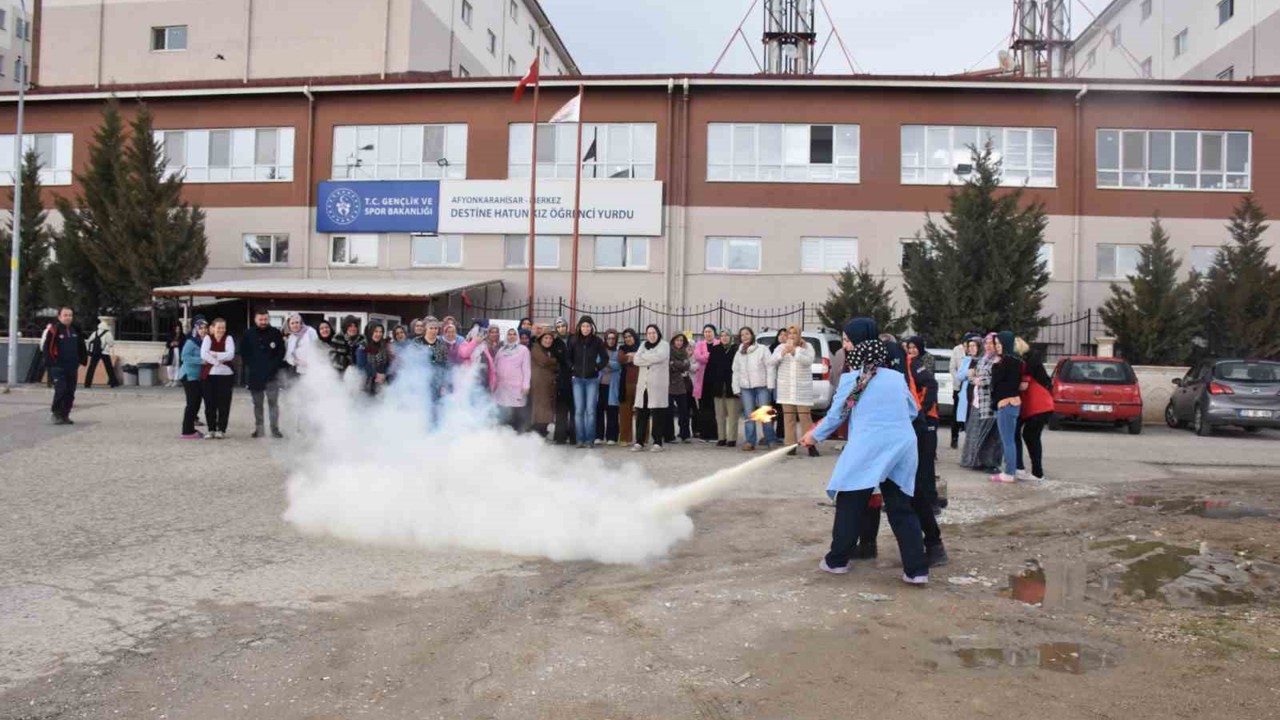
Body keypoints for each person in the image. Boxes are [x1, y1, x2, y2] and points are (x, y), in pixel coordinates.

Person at [800, 318, 928, 584]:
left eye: (847, 340)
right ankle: (917, 571)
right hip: (902, 446)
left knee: (850, 502)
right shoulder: (895, 377)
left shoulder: (853, 380)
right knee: (901, 507)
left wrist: (813, 436)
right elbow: (912, 410)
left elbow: (837, 415)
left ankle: (837, 561)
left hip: (868, 446)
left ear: (860, 343)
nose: (845, 346)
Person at [904, 335, 947, 567]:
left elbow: (931, 384)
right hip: (908, 423)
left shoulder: (910, 364)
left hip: (925, 419)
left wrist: (923, 408)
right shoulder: (876, 370)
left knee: (925, 463)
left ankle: (931, 504)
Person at [241, 310, 287, 439]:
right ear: (255, 320)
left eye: (265, 319)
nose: (263, 322)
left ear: (269, 319)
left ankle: (275, 430)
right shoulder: (248, 334)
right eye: (260, 319)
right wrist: (252, 366)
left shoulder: (275, 333)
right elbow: (244, 353)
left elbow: (281, 352)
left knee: (273, 403)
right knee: (258, 404)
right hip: (255, 375)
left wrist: (273, 366)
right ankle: (259, 430)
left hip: (272, 375)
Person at [960, 334, 1003, 471]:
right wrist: (975, 379)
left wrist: (979, 380)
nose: (988, 346)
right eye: (986, 343)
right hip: (978, 400)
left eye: (992, 343)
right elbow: (971, 376)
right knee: (974, 432)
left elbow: (996, 379)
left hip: (990, 402)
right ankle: (974, 461)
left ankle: (990, 463)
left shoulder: (999, 360)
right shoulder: (983, 359)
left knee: (990, 436)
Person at [773, 324, 817, 456]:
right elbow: (771, 362)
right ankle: (790, 446)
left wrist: (795, 352)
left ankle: (810, 445)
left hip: (802, 389)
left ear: (799, 335)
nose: (792, 336)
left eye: (795, 333)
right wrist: (782, 353)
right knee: (788, 418)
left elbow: (809, 361)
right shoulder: (781, 347)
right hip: (786, 389)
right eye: (790, 333)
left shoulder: (807, 347)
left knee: (805, 418)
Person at [567, 315, 609, 448]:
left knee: (590, 410)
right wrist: (572, 368)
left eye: (588, 326)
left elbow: (605, 358)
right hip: (577, 380)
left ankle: (590, 440)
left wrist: (597, 367)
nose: (586, 329)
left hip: (592, 380)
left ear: (592, 328)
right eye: (583, 326)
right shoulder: (573, 340)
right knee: (579, 410)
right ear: (579, 327)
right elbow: (567, 358)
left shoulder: (597, 341)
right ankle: (580, 439)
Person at [732, 326, 776, 451]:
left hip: (762, 386)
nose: (745, 336)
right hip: (745, 388)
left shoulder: (762, 349)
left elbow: (770, 367)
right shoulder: (739, 353)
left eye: (747, 334)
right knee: (749, 415)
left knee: (765, 414)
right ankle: (750, 441)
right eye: (742, 335)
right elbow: (735, 371)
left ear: (752, 335)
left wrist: (770, 385)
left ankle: (770, 440)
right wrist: (736, 388)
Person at [1016, 338, 1054, 482]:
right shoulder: (1032, 362)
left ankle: (1037, 473)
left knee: (1030, 436)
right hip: (1040, 406)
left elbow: (1023, 386)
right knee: (1030, 436)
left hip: (1038, 406)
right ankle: (1035, 471)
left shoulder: (1027, 367)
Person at [989, 331, 1025, 484]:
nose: (997, 347)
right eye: (996, 344)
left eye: (999, 344)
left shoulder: (1006, 361)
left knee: (1007, 440)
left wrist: (995, 365)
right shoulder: (1016, 360)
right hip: (1011, 403)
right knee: (1010, 440)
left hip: (1006, 403)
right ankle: (1011, 470)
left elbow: (997, 381)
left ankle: (1009, 473)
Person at [42, 307, 87, 425]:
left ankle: (65, 414)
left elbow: (81, 345)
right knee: (61, 390)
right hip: (58, 367)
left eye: (70, 315)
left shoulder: (75, 330)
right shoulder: (54, 330)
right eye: (65, 315)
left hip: (72, 366)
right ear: (59, 317)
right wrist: (51, 363)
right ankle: (56, 413)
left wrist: (81, 360)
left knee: (70, 392)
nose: (68, 317)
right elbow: (47, 348)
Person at [631, 324, 670, 453]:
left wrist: (645, 357)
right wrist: (650, 358)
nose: (652, 335)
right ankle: (639, 441)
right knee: (641, 413)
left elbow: (660, 357)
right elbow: (636, 360)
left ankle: (657, 442)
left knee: (657, 413)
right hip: (644, 385)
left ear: (658, 333)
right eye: (649, 333)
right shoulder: (643, 344)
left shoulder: (664, 345)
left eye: (654, 333)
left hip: (657, 385)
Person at [200, 318, 236, 439]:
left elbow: (230, 355)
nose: (221, 330)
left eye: (223, 327)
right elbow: (203, 354)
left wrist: (214, 354)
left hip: (226, 375)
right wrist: (217, 362)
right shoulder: (208, 338)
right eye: (219, 327)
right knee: (209, 403)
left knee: (224, 403)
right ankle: (211, 429)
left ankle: (221, 429)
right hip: (209, 376)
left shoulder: (229, 338)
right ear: (213, 328)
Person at [705, 329, 739, 447]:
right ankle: (721, 438)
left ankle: (732, 439)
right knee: (719, 415)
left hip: (732, 387)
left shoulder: (736, 349)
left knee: (733, 415)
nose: (724, 337)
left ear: (731, 337)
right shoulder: (715, 349)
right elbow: (710, 369)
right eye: (722, 335)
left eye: (727, 335)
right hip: (718, 387)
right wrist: (709, 385)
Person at [494, 327, 532, 431]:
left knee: (516, 411)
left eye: (514, 334)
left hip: (517, 387)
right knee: (503, 410)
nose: (511, 336)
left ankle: (517, 434)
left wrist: (526, 385)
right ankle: (504, 434)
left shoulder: (523, 350)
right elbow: (495, 366)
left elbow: (526, 369)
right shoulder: (501, 350)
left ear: (517, 336)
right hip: (502, 387)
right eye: (509, 334)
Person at [179, 319, 208, 438]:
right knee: (192, 403)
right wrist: (201, 361)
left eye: (205, 328)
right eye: (200, 328)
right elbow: (184, 357)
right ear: (196, 329)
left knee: (196, 402)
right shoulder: (191, 342)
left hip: (197, 377)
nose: (203, 330)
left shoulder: (205, 342)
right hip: (189, 375)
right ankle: (186, 431)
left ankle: (191, 429)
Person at [951, 336, 981, 449]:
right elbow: (959, 375)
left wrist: (975, 375)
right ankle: (970, 450)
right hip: (966, 395)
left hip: (978, 397)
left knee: (976, 425)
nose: (971, 348)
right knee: (967, 423)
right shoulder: (967, 359)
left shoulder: (983, 360)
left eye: (974, 346)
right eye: (969, 346)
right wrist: (968, 373)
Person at [666, 333, 696, 444]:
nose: (679, 342)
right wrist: (680, 365)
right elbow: (670, 365)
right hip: (669, 384)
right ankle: (669, 436)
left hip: (682, 385)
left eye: (681, 340)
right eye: (677, 340)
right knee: (669, 412)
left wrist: (676, 364)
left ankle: (685, 435)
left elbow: (687, 365)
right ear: (673, 341)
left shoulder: (684, 352)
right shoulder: (668, 352)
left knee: (684, 411)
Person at [530, 331, 559, 438]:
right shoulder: (536, 348)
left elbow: (554, 366)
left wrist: (552, 363)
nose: (548, 340)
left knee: (547, 409)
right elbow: (543, 361)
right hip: (539, 383)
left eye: (550, 338)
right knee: (540, 409)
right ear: (541, 339)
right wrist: (554, 361)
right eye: (546, 338)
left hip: (548, 384)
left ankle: (543, 432)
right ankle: (537, 433)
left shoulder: (550, 350)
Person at [692, 324, 718, 441]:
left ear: (714, 333)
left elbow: (716, 359)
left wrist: (706, 357)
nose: (708, 334)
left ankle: (714, 434)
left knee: (714, 408)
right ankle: (704, 434)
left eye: (710, 331)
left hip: (715, 381)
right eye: (706, 332)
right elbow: (698, 357)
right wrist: (708, 356)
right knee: (703, 408)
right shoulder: (699, 344)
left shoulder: (718, 343)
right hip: (702, 381)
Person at [616, 328, 640, 447]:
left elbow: (644, 358)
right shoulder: (622, 348)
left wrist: (633, 356)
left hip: (640, 383)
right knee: (625, 412)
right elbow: (621, 359)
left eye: (629, 336)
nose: (627, 339)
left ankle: (642, 439)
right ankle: (625, 438)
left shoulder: (641, 347)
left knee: (641, 412)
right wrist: (634, 357)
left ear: (634, 336)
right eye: (625, 337)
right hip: (625, 384)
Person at [598, 330, 621, 444]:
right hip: (600, 385)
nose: (611, 341)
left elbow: (618, 366)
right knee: (598, 410)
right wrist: (610, 364)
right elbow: (598, 363)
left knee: (612, 411)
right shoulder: (601, 351)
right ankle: (598, 436)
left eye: (613, 338)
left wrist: (606, 362)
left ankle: (612, 437)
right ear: (605, 339)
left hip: (612, 386)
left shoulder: (618, 352)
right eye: (609, 338)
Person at [84, 316, 120, 389]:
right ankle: (113, 383)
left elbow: (89, 341)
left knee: (91, 368)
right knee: (109, 368)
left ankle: (87, 383)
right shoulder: (108, 333)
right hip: (104, 352)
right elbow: (111, 343)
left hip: (95, 352)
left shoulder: (95, 332)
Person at [356, 321, 391, 395]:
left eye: (381, 332)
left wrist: (384, 374)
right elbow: (361, 365)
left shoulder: (384, 345)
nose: (379, 334)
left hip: (383, 383)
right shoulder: (362, 346)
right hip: (366, 384)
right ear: (370, 332)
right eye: (376, 331)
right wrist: (377, 374)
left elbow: (388, 363)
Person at [284, 313, 320, 377]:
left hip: (312, 368)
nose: (295, 325)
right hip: (298, 370)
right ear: (289, 325)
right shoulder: (291, 338)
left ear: (301, 323)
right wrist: (296, 362)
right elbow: (288, 355)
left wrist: (311, 361)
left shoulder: (310, 331)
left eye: (297, 322)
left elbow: (318, 347)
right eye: (292, 323)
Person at [470, 326, 503, 395]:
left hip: (499, 376)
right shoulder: (483, 345)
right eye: (492, 332)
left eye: (496, 332)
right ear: (488, 334)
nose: (494, 334)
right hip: (484, 376)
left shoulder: (501, 346)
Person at [163, 321, 186, 387]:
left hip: (179, 352)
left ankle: (176, 380)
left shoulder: (183, 336)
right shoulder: (171, 335)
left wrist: (179, 344)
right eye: (176, 329)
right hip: (171, 353)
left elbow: (184, 345)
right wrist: (171, 344)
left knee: (177, 366)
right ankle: (171, 380)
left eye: (179, 329)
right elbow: (167, 345)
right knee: (169, 367)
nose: (178, 330)